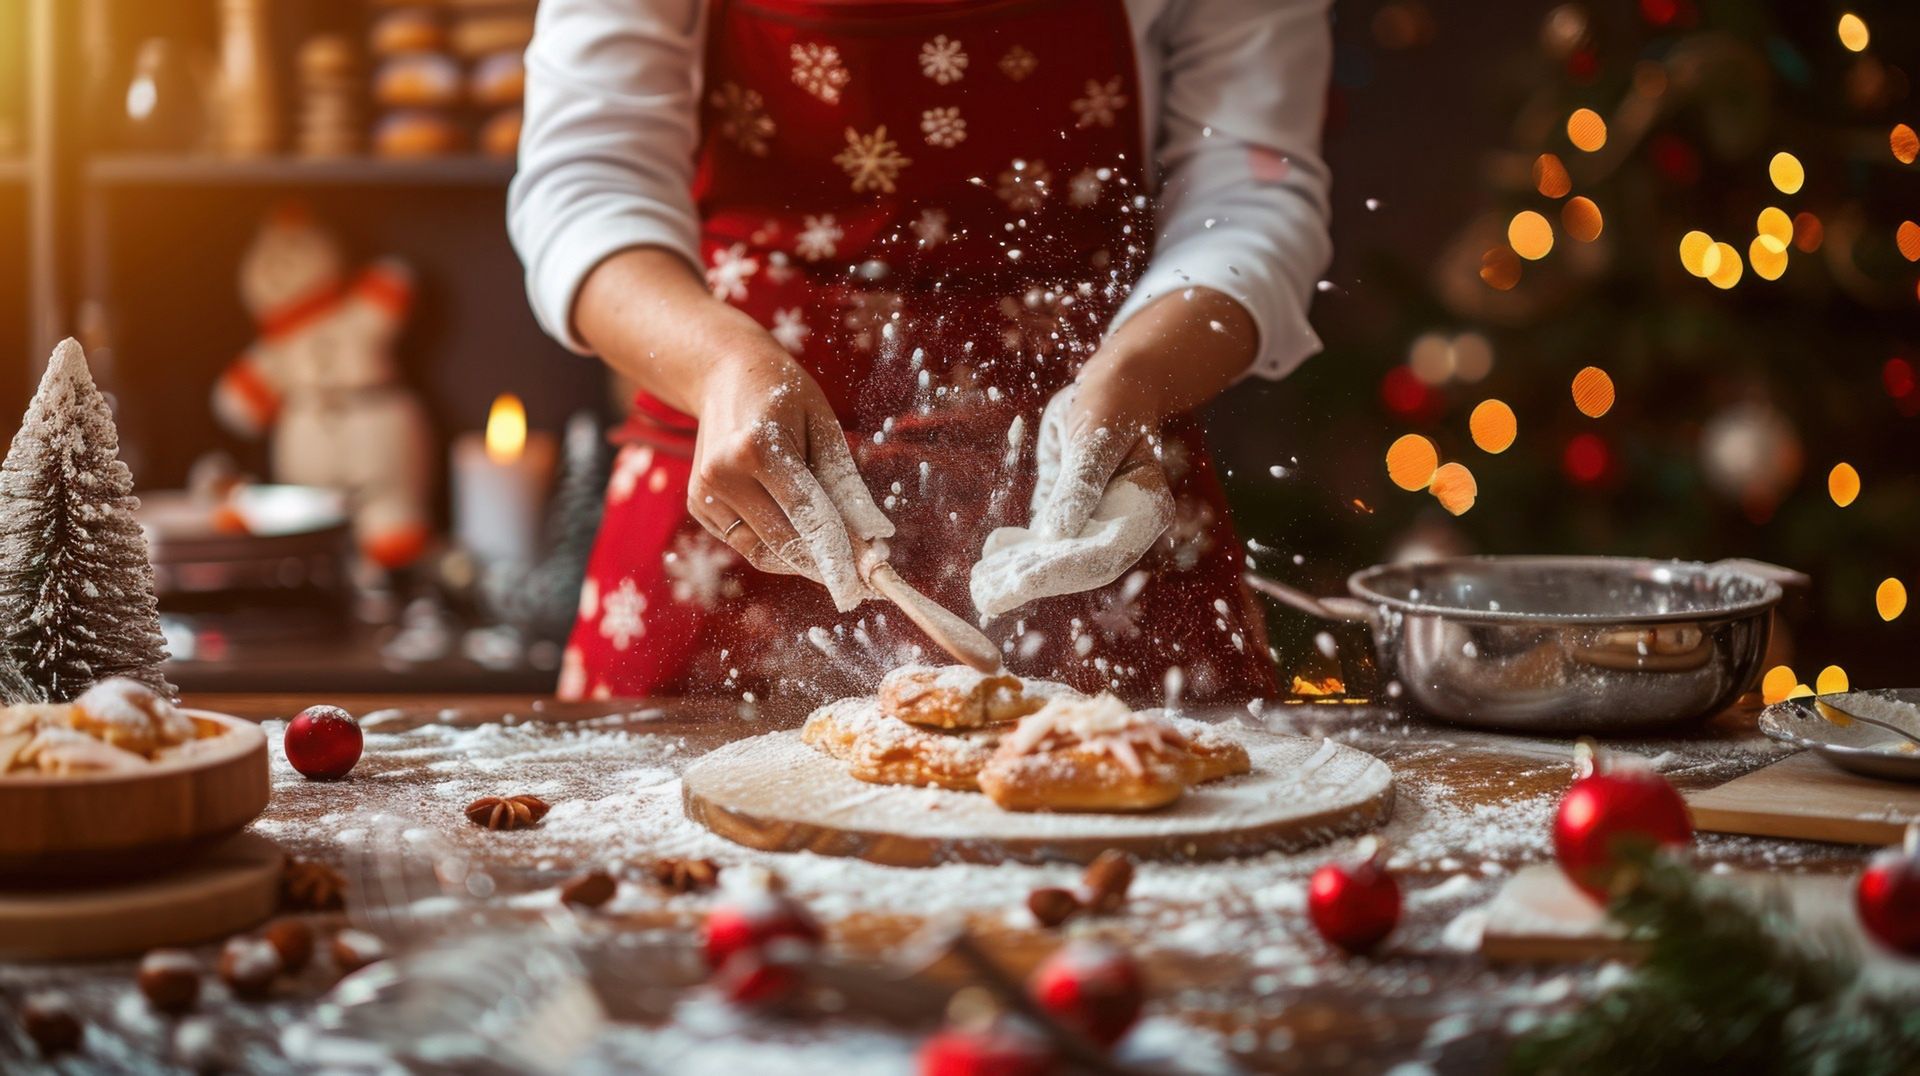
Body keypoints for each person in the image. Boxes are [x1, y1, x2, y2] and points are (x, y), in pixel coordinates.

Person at [510, 0, 1332, 707]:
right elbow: (586, 180)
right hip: (742, 492)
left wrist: (1139, 376)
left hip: (1094, 491)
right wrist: (720, 363)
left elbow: (1253, 183)